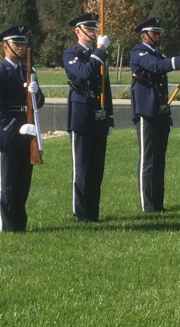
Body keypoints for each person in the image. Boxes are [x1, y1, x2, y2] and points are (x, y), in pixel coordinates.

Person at [130, 17, 180, 212]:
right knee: (148, 159)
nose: (158, 36)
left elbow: (163, 65)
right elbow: (158, 66)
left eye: (159, 33)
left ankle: (158, 203)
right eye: (154, 33)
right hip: (146, 111)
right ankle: (147, 204)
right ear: (144, 35)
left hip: (160, 110)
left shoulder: (156, 53)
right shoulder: (139, 52)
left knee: (159, 159)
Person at [0, 25, 45, 232]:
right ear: (5, 46)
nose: (21, 47)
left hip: (27, 133)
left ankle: (20, 225)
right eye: (16, 43)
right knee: (8, 185)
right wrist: (15, 128)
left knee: (23, 184)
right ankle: (8, 227)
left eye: (23, 43)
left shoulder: (28, 70)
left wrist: (36, 93)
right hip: (8, 136)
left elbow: (40, 101)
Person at [63, 13, 114, 222]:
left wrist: (109, 116)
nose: (93, 33)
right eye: (89, 29)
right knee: (82, 169)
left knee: (96, 170)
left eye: (94, 29)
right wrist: (100, 51)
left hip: (98, 117)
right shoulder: (70, 53)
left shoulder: (98, 54)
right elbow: (84, 72)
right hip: (81, 118)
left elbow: (105, 87)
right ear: (78, 31)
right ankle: (81, 214)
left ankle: (93, 212)